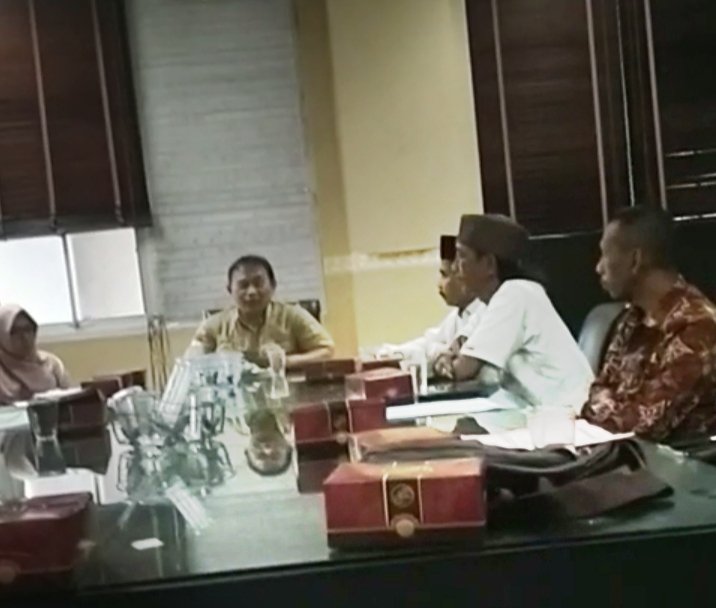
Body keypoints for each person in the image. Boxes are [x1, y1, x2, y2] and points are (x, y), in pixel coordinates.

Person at [582, 206, 716, 441]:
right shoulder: (633, 318)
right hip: (622, 452)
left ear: (635, 260)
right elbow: (599, 389)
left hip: (680, 461)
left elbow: (644, 424)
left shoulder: (697, 326)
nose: (598, 268)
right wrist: (606, 408)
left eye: (605, 254)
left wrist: (603, 409)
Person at [434, 214, 594, 409]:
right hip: (535, 412)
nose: (455, 267)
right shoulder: (488, 303)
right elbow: (454, 349)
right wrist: (445, 359)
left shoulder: (516, 293)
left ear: (489, 264)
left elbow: (463, 370)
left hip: (572, 414)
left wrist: (445, 363)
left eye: (462, 257)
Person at [190, 255, 334, 370]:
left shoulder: (293, 315)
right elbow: (192, 363)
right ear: (230, 290)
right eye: (243, 285)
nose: (251, 291)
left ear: (273, 286)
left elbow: (326, 350)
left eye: (258, 283)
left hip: (286, 389)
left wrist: (286, 362)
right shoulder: (213, 326)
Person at [377, 235, 484, 374]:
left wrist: (438, 351)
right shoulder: (457, 316)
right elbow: (429, 342)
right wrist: (394, 353)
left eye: (445, 275)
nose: (439, 284)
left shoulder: (485, 312)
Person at [0, 304, 71, 405]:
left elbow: (70, 399)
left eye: (28, 329)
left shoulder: (51, 363)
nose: (24, 337)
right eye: (15, 332)